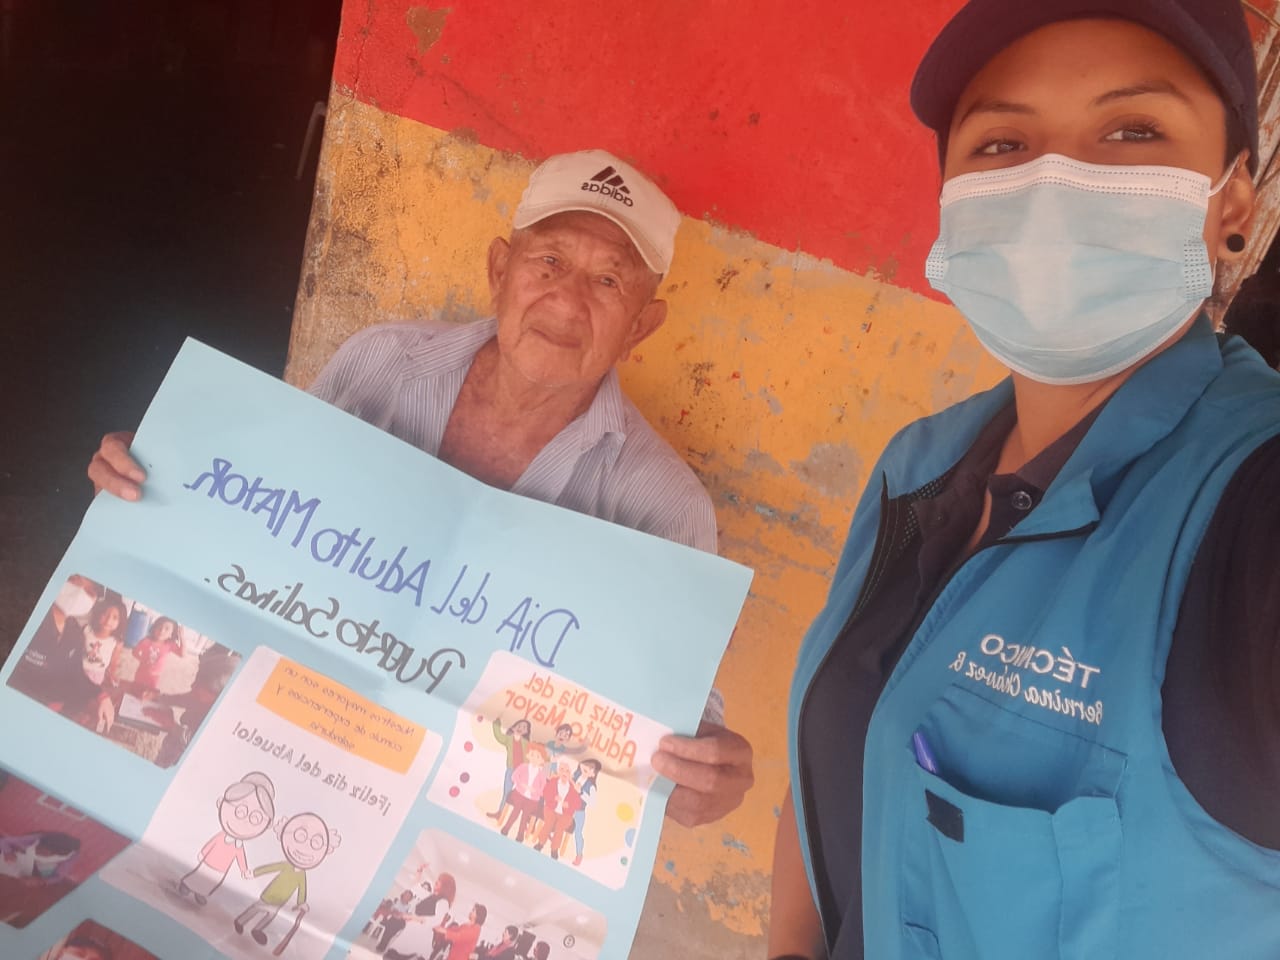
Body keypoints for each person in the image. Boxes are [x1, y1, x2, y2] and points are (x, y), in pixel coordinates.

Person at [769, 3, 1280, 960]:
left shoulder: (1250, 506)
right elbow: (835, 742)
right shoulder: (920, 464)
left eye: (1133, 131)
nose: (1055, 187)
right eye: (1002, 143)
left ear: (1234, 204)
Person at [88, 149, 752, 830]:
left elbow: (675, 720)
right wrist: (157, 482)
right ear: (500, 271)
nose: (567, 300)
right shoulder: (381, 365)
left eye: (608, 280)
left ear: (641, 325)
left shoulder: (665, 507)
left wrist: (701, 775)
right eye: (548, 261)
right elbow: (263, 524)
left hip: (441, 826)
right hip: (277, 738)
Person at [178, 771, 275, 906]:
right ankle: (187, 886)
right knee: (198, 875)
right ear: (221, 802)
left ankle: (201, 893)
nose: (245, 821)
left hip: (221, 869)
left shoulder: (238, 845)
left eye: (255, 818)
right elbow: (212, 843)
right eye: (240, 811)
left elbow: (240, 858)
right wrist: (203, 853)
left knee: (212, 882)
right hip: (209, 863)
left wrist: (243, 870)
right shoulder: (222, 836)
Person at [383, 870, 456, 960]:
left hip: (420, 936)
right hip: (410, 932)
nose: (437, 881)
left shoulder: (444, 902)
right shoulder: (430, 896)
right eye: (438, 879)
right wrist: (419, 872)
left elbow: (435, 921)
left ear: (445, 886)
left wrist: (413, 917)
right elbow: (415, 888)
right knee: (392, 955)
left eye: (440, 880)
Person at [129, 616, 182, 690]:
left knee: (148, 693)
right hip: (141, 673)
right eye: (159, 627)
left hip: (154, 677)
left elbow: (182, 654)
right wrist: (142, 659)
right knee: (135, 690)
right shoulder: (146, 641)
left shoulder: (169, 645)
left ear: (171, 634)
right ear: (154, 628)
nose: (162, 631)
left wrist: (182, 637)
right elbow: (134, 652)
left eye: (167, 629)